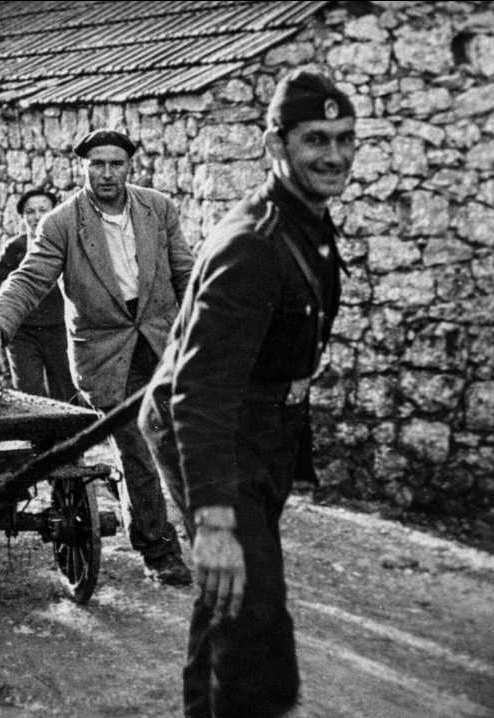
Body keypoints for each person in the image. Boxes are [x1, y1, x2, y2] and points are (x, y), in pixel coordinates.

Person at [148, 69, 354, 717]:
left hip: (259, 434)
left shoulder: (306, 224)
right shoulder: (254, 246)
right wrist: (212, 522)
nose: (334, 155)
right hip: (216, 432)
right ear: (274, 145)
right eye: (315, 139)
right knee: (255, 624)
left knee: (228, 600)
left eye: (344, 139)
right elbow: (200, 393)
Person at [0, 130, 195, 586]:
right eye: (97, 164)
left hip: (161, 343)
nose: (107, 173)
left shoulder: (158, 209)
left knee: (180, 444)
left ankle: (204, 536)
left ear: (130, 167)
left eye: (116, 164)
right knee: (138, 449)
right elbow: (27, 280)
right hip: (105, 353)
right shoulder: (61, 223)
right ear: (82, 168)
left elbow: (185, 273)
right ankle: (159, 551)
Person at [0, 188, 75, 403]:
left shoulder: (67, 246)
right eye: (30, 212)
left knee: (67, 390)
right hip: (23, 333)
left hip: (59, 331)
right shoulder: (16, 248)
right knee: (29, 392)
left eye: (43, 210)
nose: (37, 217)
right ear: (22, 217)